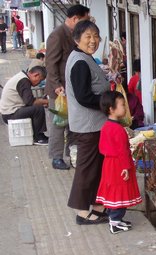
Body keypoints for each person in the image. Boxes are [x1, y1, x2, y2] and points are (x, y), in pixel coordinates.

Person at [65, 20, 110, 225]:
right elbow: (83, 96)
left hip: (94, 125)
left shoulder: (84, 57)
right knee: (87, 167)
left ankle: (97, 206)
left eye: (95, 36)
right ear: (77, 39)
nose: (93, 41)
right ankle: (82, 211)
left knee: (97, 167)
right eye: (88, 37)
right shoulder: (80, 61)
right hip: (88, 125)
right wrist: (109, 102)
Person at [44, 4, 90, 170]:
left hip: (72, 88)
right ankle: (56, 157)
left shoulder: (75, 35)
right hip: (59, 91)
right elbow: (50, 63)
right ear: (75, 19)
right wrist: (56, 85)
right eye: (85, 20)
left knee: (73, 123)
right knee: (58, 124)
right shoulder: (58, 35)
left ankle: (72, 154)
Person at [96, 91, 142, 234]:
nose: (125, 108)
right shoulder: (118, 130)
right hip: (119, 165)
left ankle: (115, 219)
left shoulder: (105, 127)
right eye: (122, 105)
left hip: (109, 164)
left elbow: (102, 148)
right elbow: (122, 151)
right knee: (120, 192)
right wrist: (126, 167)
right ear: (111, 109)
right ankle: (115, 222)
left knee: (113, 191)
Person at [0, 66, 49, 145]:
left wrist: (42, 101)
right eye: (40, 80)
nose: (39, 83)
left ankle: (36, 134)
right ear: (36, 75)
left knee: (36, 107)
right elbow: (30, 101)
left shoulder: (22, 77)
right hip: (10, 114)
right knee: (38, 109)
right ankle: (38, 137)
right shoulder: (24, 81)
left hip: (11, 111)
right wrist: (47, 101)